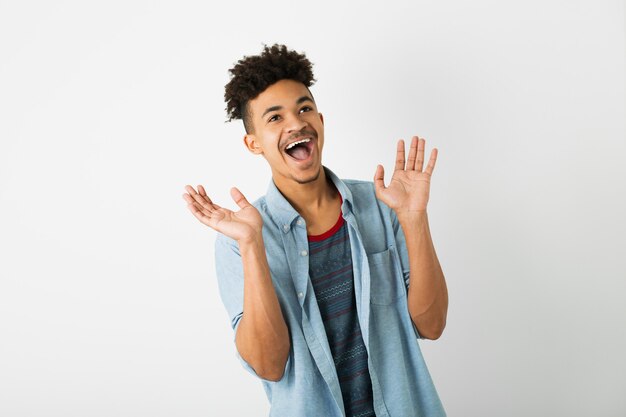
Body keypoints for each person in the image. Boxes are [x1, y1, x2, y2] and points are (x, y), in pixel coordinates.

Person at [182, 44, 448, 417]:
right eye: (275, 118)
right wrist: (252, 245)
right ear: (253, 142)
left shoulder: (382, 204)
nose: (296, 123)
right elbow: (269, 366)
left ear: (321, 122)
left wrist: (414, 217)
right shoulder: (237, 239)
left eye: (304, 108)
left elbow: (431, 325)